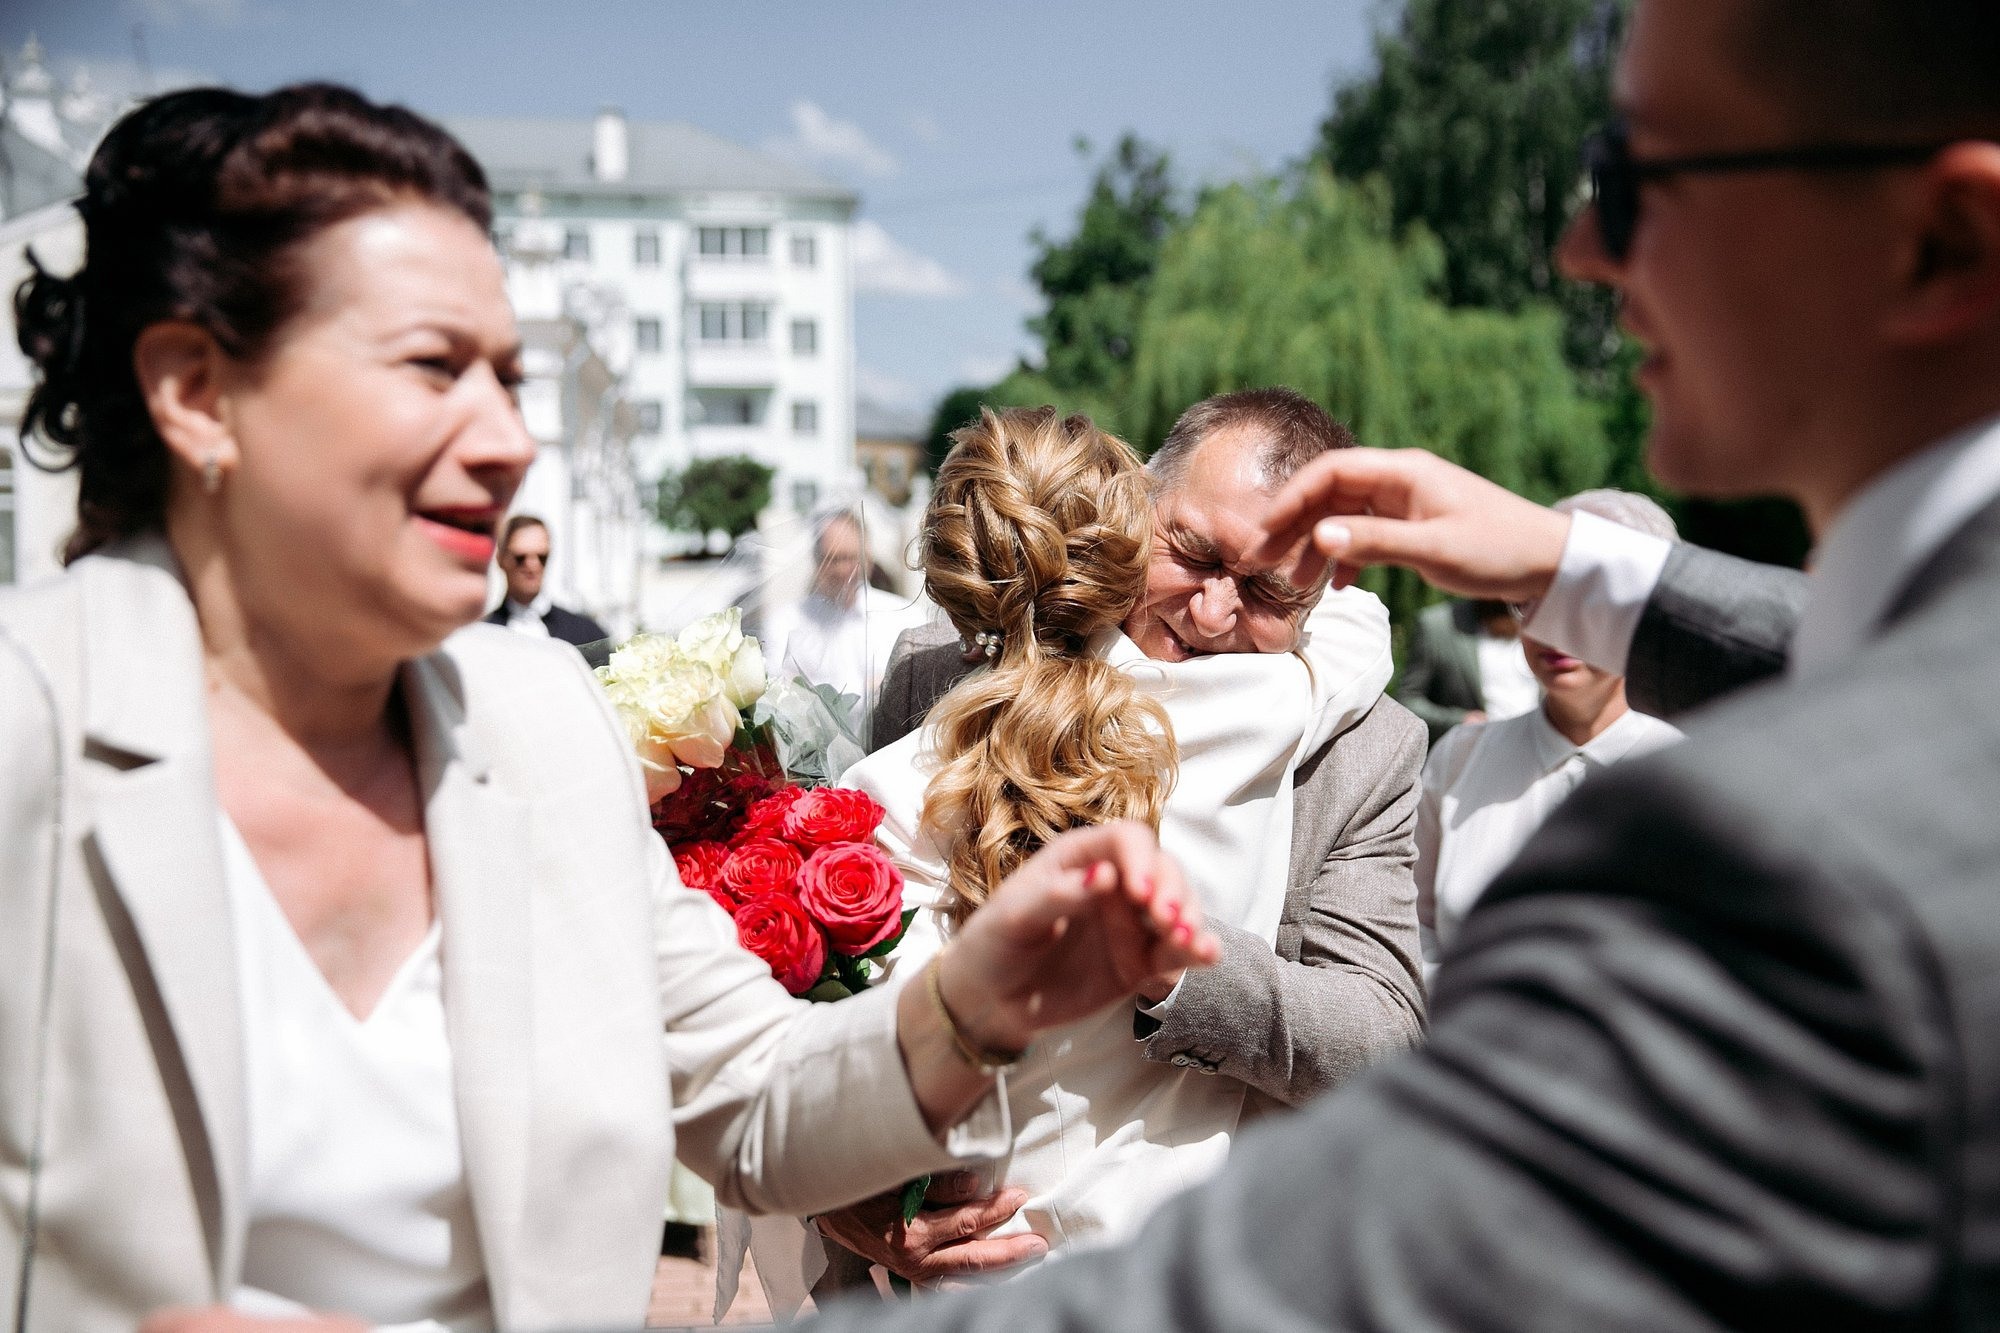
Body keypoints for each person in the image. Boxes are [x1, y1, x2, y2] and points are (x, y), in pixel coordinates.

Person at [793, 0, 2000, 1326]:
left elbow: (1366, 1245)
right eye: (1188, 554)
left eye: (1642, 176)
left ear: (1944, 244)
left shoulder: (1746, 855)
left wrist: (1159, 961)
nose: (1584, 247)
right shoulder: (949, 667)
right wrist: (834, 1154)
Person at [0, 84, 1219, 1333]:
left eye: (510, 377)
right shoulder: (29, 725)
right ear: (196, 391)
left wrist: (968, 1003)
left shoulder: (539, 721)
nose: (505, 440)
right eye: (432, 367)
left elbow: (750, 1094)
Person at [746, 405, 1397, 1311]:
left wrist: (1177, 965)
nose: (1213, 613)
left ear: (1322, 595)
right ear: (1137, 507)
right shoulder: (940, 667)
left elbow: (1384, 1036)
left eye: (1270, 595)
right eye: (1195, 554)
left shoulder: (1363, 734)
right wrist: (845, 1199)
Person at [1414, 490, 1683, 976]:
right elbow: (1412, 927)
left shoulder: (1699, 770)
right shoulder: (1461, 757)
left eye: (1587, 598)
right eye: (1535, 596)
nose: (1557, 628)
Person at [760, 509, 925, 723]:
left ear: (869, 556)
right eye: (833, 559)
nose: (842, 570)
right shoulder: (784, 622)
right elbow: (777, 692)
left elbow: (916, 692)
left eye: (849, 558)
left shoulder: (904, 618)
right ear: (816, 561)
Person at [1394, 596, 1540, 744]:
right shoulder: (1438, 625)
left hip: (1535, 751)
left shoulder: (1548, 621)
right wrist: (1459, 721)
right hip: (1469, 755)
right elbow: (1407, 702)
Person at [481, 514, 609, 649]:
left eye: (542, 557)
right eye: (520, 558)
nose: (532, 566)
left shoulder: (585, 633)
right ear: (501, 559)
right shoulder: (482, 635)